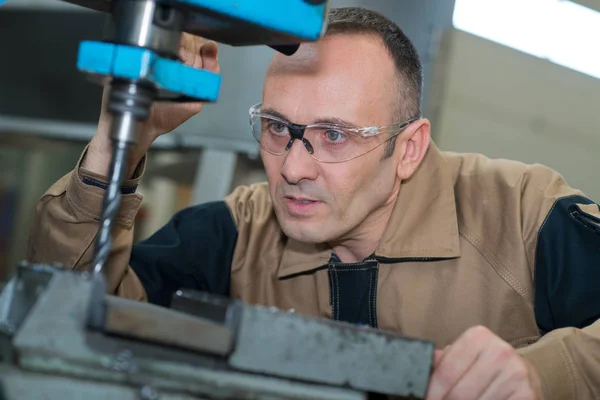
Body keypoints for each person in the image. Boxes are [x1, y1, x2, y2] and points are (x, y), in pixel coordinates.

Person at [27, 7, 599, 400]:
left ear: (408, 149)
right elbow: (61, 315)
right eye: (277, 127)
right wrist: (120, 138)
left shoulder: (522, 215)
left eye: (335, 135)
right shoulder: (236, 233)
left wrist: (546, 373)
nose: (293, 168)